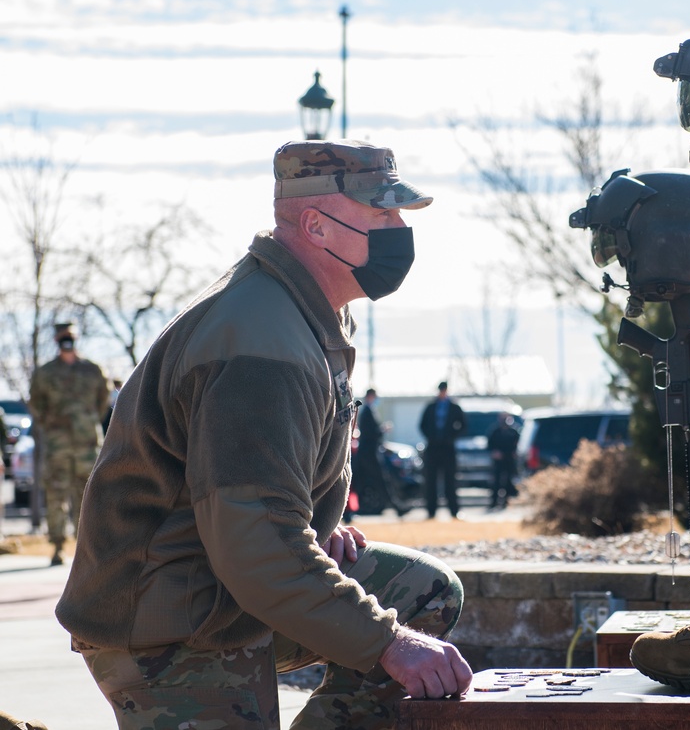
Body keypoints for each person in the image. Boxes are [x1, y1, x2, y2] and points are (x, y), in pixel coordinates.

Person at [55, 139, 472, 730]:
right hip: (169, 625)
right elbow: (255, 542)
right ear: (316, 226)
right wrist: (389, 645)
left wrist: (313, 528)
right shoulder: (258, 340)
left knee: (420, 591)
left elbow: (260, 509)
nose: (398, 227)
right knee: (393, 633)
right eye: (381, 212)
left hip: (222, 588)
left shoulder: (301, 311)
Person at [28, 323, 109, 566]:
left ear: (76, 338)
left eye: (70, 337)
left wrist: (88, 421)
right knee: (56, 496)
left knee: (88, 496)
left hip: (87, 446)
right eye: (63, 337)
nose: (67, 341)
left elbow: (103, 401)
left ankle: (87, 549)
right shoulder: (45, 373)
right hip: (58, 446)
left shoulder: (93, 370)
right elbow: (36, 404)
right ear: (56, 339)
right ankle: (57, 547)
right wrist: (52, 425)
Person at [355, 388, 408, 516]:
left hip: (367, 452)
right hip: (369, 452)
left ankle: (352, 510)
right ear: (370, 396)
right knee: (380, 480)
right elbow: (370, 433)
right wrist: (382, 430)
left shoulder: (367, 411)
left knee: (364, 481)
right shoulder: (367, 411)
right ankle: (396, 507)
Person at [419, 381, 466, 518]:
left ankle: (454, 510)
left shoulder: (454, 407)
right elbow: (422, 425)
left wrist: (451, 437)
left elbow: (463, 425)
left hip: (448, 448)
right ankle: (431, 511)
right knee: (431, 480)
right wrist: (431, 437)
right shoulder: (431, 407)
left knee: (450, 480)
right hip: (433, 448)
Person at [485, 412, 520, 509]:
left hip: (509, 460)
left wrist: (514, 453)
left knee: (508, 481)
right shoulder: (495, 431)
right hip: (498, 461)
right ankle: (494, 502)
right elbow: (489, 445)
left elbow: (518, 445)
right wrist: (494, 452)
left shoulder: (513, 431)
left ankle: (506, 502)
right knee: (496, 481)